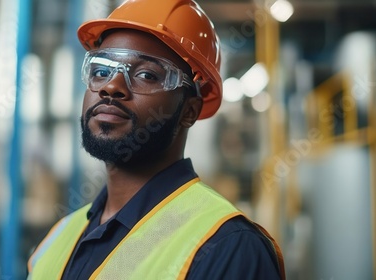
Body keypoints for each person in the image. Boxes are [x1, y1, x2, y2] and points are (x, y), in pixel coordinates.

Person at [27, 0, 285, 279]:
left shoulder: (228, 246)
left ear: (189, 111)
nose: (111, 86)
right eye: (101, 71)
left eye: (146, 75)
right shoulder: (59, 237)